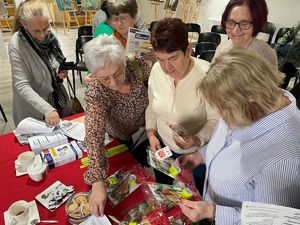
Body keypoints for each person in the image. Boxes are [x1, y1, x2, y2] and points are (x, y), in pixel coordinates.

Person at [177, 48, 300, 224]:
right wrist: (201, 155)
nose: (220, 114)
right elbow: (225, 142)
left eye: (223, 108)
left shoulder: (285, 158)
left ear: (252, 98)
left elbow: (270, 221)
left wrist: (215, 213)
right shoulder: (244, 106)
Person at [146, 18, 219, 193]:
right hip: (163, 147)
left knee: (196, 196)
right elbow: (151, 105)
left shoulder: (207, 76)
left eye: (173, 58)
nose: (166, 68)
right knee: (166, 193)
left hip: (195, 154)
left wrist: (197, 139)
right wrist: (151, 132)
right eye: (160, 59)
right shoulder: (156, 70)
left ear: (188, 50)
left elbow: (216, 120)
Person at [83, 35, 151, 217]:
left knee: (146, 171)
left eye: (118, 73)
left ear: (123, 61)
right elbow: (93, 132)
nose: (113, 83)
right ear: (95, 75)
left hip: (147, 131)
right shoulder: (96, 90)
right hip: (120, 137)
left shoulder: (137, 65)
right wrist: (97, 181)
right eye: (105, 79)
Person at [8, 0, 72, 126]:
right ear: (23, 24)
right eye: (36, 31)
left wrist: (62, 72)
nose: (43, 35)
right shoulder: (16, 44)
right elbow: (21, 85)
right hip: (36, 106)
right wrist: (47, 109)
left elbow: (57, 63)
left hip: (57, 99)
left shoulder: (51, 37)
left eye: (45, 29)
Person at [213, 0, 277, 67]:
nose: (235, 30)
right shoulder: (223, 47)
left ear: (256, 24)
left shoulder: (264, 54)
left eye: (244, 24)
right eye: (231, 22)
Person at [274, 22, 300, 89]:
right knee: (282, 81)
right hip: (292, 59)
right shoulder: (299, 26)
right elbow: (288, 36)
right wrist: (277, 47)